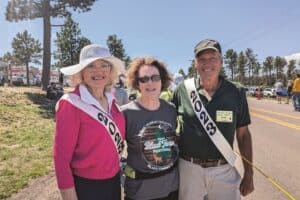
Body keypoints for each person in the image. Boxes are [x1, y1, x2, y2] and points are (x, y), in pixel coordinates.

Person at [172, 39, 254, 200]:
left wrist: (249, 174)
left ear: (221, 62)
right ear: (195, 63)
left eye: (213, 58)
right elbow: (168, 123)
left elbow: (243, 135)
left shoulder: (236, 92)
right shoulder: (183, 90)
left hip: (223, 169)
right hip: (189, 169)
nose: (207, 63)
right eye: (202, 59)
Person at [53, 44, 126, 200]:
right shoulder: (71, 103)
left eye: (104, 65)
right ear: (81, 72)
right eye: (91, 66)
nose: (98, 71)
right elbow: (61, 159)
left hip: (113, 182)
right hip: (87, 187)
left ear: (111, 71)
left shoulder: (113, 102)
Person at [121, 57, 179, 200]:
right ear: (137, 83)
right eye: (144, 79)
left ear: (162, 80)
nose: (150, 83)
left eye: (155, 78)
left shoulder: (171, 110)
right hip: (140, 192)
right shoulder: (125, 113)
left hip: (171, 189)